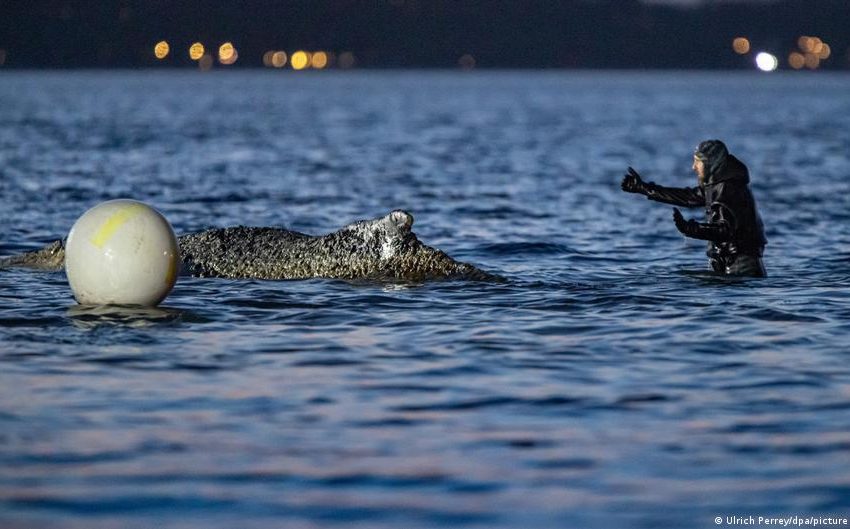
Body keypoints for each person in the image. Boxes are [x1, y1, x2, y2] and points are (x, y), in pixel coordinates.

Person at [621, 140, 767, 277]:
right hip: (730, 262)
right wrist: (644, 188)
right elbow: (688, 197)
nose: (693, 167)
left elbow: (725, 231)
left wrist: (690, 229)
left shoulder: (728, 189)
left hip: (740, 266)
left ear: (711, 163)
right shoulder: (717, 185)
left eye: (698, 162)